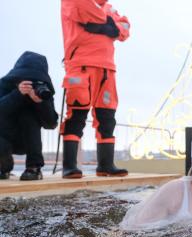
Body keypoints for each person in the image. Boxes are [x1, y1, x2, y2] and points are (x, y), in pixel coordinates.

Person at [60, 0, 130, 178]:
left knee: (107, 118)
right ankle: (69, 166)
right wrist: (111, 25)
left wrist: (108, 25)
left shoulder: (108, 7)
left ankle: (106, 165)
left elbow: (125, 27)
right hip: (81, 66)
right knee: (76, 115)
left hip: (107, 69)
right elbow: (91, 13)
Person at [0, 51, 58, 180]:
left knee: (28, 116)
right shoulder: (4, 85)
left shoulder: (43, 90)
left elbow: (52, 124)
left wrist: (41, 103)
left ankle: (34, 168)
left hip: (29, 141)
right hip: (4, 139)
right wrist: (17, 94)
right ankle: (3, 167)